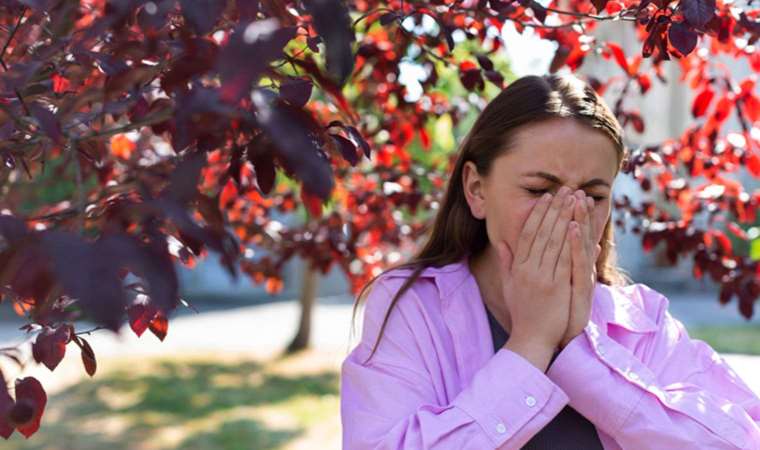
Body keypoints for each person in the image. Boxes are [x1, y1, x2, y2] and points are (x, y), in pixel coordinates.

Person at [339, 73, 760, 449]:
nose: (571, 214)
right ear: (476, 189)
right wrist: (530, 345)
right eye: (540, 190)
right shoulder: (412, 307)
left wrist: (582, 356)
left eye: (594, 196)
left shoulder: (642, 320)